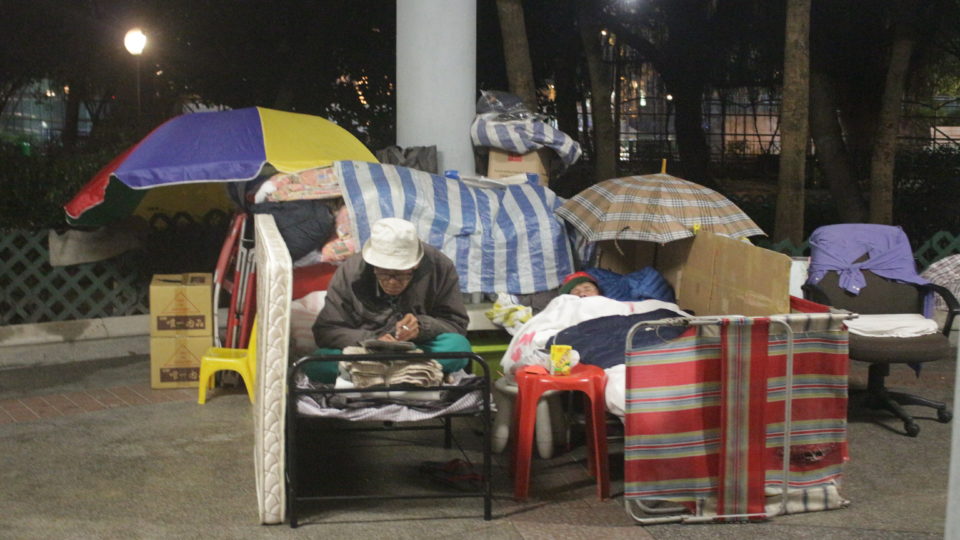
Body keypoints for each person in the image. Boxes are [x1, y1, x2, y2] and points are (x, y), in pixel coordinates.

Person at [309, 217, 471, 383]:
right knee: (316, 362)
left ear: (415, 266)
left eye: (402, 274)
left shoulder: (439, 266)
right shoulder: (350, 271)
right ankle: (409, 374)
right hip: (365, 353)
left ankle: (377, 376)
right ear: (373, 266)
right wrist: (371, 339)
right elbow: (326, 330)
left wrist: (422, 327)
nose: (393, 282)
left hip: (417, 349)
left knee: (458, 346)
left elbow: (456, 324)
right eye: (384, 273)